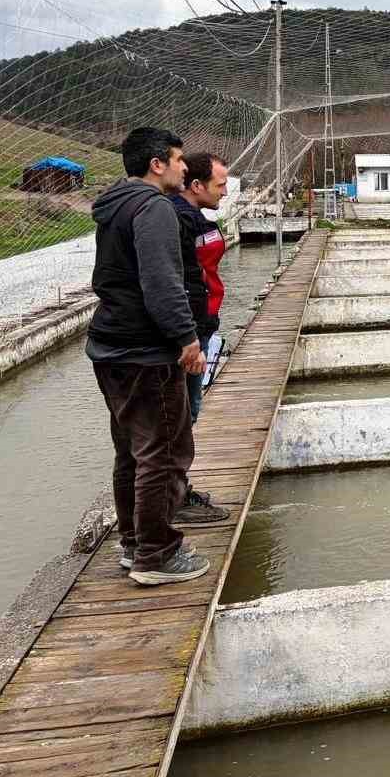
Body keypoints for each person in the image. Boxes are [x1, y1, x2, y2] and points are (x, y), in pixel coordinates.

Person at [87, 127, 210, 586]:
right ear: (157, 164)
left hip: (110, 346)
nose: (184, 167)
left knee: (132, 452)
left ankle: (134, 543)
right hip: (145, 351)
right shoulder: (155, 208)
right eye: (178, 159)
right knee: (165, 452)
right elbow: (162, 285)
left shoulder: (115, 204)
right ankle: (156, 555)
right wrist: (187, 339)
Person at [171, 152, 232, 526]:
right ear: (197, 185)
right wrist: (188, 335)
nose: (225, 191)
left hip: (202, 325)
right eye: (220, 184)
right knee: (179, 414)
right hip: (190, 331)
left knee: (189, 410)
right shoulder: (177, 221)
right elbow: (177, 283)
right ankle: (172, 500)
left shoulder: (197, 218)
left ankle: (177, 490)